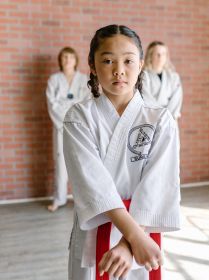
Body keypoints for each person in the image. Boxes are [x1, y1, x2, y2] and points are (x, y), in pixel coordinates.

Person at [63, 25, 181, 280]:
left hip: (143, 233)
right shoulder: (78, 118)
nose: (119, 69)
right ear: (92, 66)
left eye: (128, 60)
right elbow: (93, 185)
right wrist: (135, 237)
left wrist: (130, 244)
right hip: (98, 232)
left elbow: (158, 186)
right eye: (107, 60)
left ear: (140, 65)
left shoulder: (160, 119)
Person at [46, 46, 90, 212]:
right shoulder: (54, 80)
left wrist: (68, 107)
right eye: (64, 57)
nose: (67, 60)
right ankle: (59, 198)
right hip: (61, 127)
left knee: (81, 163)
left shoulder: (83, 79)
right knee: (61, 162)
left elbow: (85, 103)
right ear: (60, 60)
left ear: (76, 60)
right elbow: (52, 104)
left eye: (70, 57)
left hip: (79, 127)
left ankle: (83, 201)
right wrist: (70, 108)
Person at [142, 41, 183, 120]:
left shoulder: (174, 77)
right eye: (157, 54)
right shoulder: (143, 76)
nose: (160, 57)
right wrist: (160, 116)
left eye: (163, 54)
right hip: (150, 119)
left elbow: (176, 100)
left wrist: (168, 118)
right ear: (150, 56)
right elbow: (146, 99)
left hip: (170, 119)